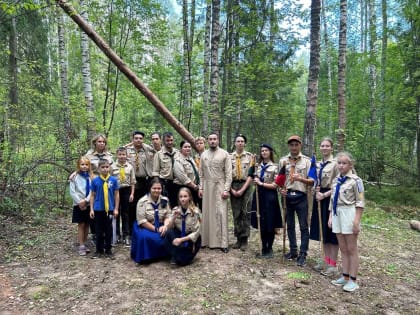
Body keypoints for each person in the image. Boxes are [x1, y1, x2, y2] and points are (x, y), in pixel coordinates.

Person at [329, 152, 365, 292]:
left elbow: (360, 202)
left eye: (344, 163)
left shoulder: (356, 181)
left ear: (350, 165)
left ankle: (353, 279)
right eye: (339, 163)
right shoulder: (336, 180)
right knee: (343, 247)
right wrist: (331, 216)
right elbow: (333, 200)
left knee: (351, 248)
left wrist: (356, 221)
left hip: (349, 213)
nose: (341, 165)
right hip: (337, 213)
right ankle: (345, 276)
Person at [280, 135, 315, 267]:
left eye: (296, 145)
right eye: (291, 145)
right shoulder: (283, 160)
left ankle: (303, 253)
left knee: (304, 226)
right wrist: (281, 190)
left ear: (300, 145)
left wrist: (301, 179)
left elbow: (312, 181)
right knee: (289, 225)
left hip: (302, 197)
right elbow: (280, 180)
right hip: (287, 196)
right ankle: (293, 250)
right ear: (289, 146)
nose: (294, 147)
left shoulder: (307, 161)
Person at [309, 138, 340, 276]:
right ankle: (326, 260)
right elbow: (314, 181)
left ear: (332, 148)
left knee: (331, 233)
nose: (325, 148)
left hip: (330, 200)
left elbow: (339, 185)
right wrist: (315, 191)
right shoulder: (317, 164)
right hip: (318, 198)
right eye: (322, 145)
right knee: (323, 233)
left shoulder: (335, 164)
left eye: (327, 145)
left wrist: (324, 195)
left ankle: (333, 264)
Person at [198, 132, 232, 253]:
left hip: (220, 185)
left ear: (218, 140)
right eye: (210, 139)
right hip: (207, 186)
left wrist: (226, 189)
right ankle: (206, 241)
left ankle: (223, 243)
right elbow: (201, 174)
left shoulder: (225, 154)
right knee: (207, 213)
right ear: (207, 141)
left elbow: (229, 174)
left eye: (214, 139)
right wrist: (200, 188)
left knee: (221, 213)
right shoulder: (203, 155)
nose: (212, 141)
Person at [251, 144, 282, 258]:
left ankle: (270, 248)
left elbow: (276, 185)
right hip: (259, 195)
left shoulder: (275, 167)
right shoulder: (257, 166)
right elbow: (253, 177)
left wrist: (261, 183)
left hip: (270, 197)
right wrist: (255, 181)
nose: (264, 152)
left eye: (266, 150)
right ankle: (263, 247)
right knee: (261, 222)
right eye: (262, 151)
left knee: (270, 222)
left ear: (270, 152)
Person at [131, 178, 172, 263]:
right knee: (144, 237)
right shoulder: (142, 201)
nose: (157, 190)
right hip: (147, 226)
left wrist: (165, 226)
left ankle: (166, 255)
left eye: (159, 188)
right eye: (154, 188)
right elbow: (142, 221)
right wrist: (156, 229)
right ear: (150, 188)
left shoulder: (165, 200)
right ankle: (147, 257)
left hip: (161, 224)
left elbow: (168, 215)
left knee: (171, 234)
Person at [126, 131, 155, 239]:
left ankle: (143, 227)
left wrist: (143, 144)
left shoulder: (147, 150)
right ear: (132, 139)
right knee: (131, 206)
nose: (138, 140)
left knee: (144, 205)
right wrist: (129, 145)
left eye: (140, 138)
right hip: (132, 182)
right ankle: (130, 230)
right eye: (136, 138)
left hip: (144, 181)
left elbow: (156, 149)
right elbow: (118, 151)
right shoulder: (127, 150)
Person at [89, 159, 120, 258]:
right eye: (102, 167)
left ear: (109, 168)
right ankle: (99, 250)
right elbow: (92, 195)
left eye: (107, 167)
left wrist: (116, 208)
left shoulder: (114, 180)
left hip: (109, 209)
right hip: (98, 209)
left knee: (108, 230)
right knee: (98, 230)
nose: (105, 169)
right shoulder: (95, 181)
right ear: (98, 168)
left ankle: (108, 249)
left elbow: (116, 195)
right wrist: (91, 209)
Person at [164, 187, 201, 266]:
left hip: (189, 239)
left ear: (190, 197)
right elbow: (169, 227)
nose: (183, 199)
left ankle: (179, 255)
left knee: (182, 262)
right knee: (168, 233)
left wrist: (181, 240)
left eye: (185, 196)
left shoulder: (196, 212)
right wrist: (173, 217)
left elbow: (197, 232)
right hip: (178, 237)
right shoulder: (175, 210)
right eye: (181, 197)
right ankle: (176, 254)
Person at [230, 134, 253, 251]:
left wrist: (243, 189)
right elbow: (227, 174)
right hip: (233, 184)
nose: (240, 143)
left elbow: (251, 174)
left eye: (242, 141)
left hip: (246, 185)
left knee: (246, 212)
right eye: (238, 141)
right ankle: (238, 238)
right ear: (235, 143)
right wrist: (231, 189)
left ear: (245, 143)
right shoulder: (229, 157)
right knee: (236, 213)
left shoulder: (250, 157)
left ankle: (245, 239)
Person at [111, 147, 136, 246]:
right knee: (116, 213)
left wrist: (132, 194)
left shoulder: (129, 167)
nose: (122, 156)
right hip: (115, 191)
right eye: (120, 154)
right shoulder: (112, 167)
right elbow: (109, 180)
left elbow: (133, 182)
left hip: (126, 190)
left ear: (126, 155)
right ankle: (116, 234)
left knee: (125, 213)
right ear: (117, 155)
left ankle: (126, 235)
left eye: (124, 154)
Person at [69, 156, 93, 256]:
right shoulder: (74, 177)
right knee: (81, 224)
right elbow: (72, 191)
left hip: (88, 203)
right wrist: (80, 201)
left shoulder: (91, 176)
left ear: (89, 166)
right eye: (82, 164)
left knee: (87, 224)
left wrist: (87, 200)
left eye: (86, 165)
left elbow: (92, 190)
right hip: (78, 204)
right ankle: (81, 245)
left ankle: (85, 242)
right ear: (78, 165)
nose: (84, 166)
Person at [152, 131, 179, 207]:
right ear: (163, 141)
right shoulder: (159, 154)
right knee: (164, 205)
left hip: (177, 183)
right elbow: (155, 172)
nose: (169, 142)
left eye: (171, 140)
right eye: (167, 140)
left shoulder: (177, 153)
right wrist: (158, 186)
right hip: (165, 183)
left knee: (176, 204)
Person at [173, 141, 200, 205]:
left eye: (189, 147)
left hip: (193, 187)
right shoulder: (178, 160)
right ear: (181, 148)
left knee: (192, 207)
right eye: (185, 147)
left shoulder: (190, 159)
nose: (188, 148)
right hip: (182, 187)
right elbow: (182, 177)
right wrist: (194, 186)